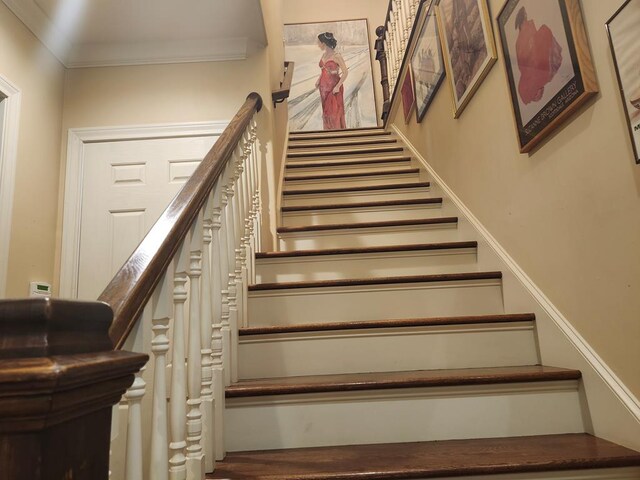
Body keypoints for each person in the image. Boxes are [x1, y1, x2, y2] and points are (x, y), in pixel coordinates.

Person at [515, 6, 563, 105]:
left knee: (544, 31)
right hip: (533, 64)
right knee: (545, 31)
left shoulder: (519, 39)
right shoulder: (526, 29)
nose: (527, 18)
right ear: (522, 19)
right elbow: (525, 56)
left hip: (530, 66)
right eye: (525, 16)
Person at [315, 32, 349, 130]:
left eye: (319, 43)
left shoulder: (337, 56)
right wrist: (318, 80)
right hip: (323, 88)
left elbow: (345, 72)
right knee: (326, 113)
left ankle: (337, 133)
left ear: (324, 43)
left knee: (334, 112)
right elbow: (323, 70)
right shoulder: (323, 55)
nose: (318, 45)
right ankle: (327, 133)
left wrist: (338, 86)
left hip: (334, 88)